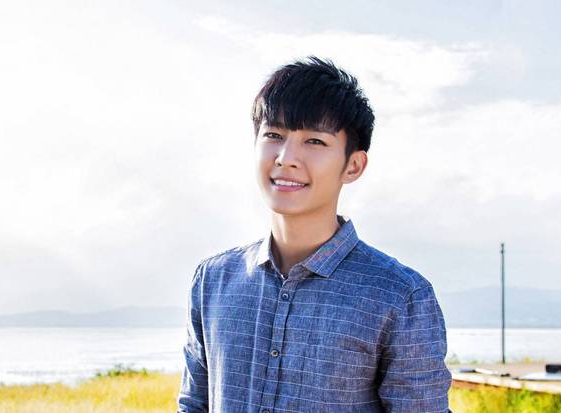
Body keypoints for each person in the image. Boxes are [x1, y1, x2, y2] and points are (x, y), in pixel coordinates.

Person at [177, 56, 451, 412]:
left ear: (353, 165)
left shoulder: (400, 297)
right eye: (274, 135)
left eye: (314, 141)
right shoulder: (213, 280)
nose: (286, 158)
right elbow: (193, 405)